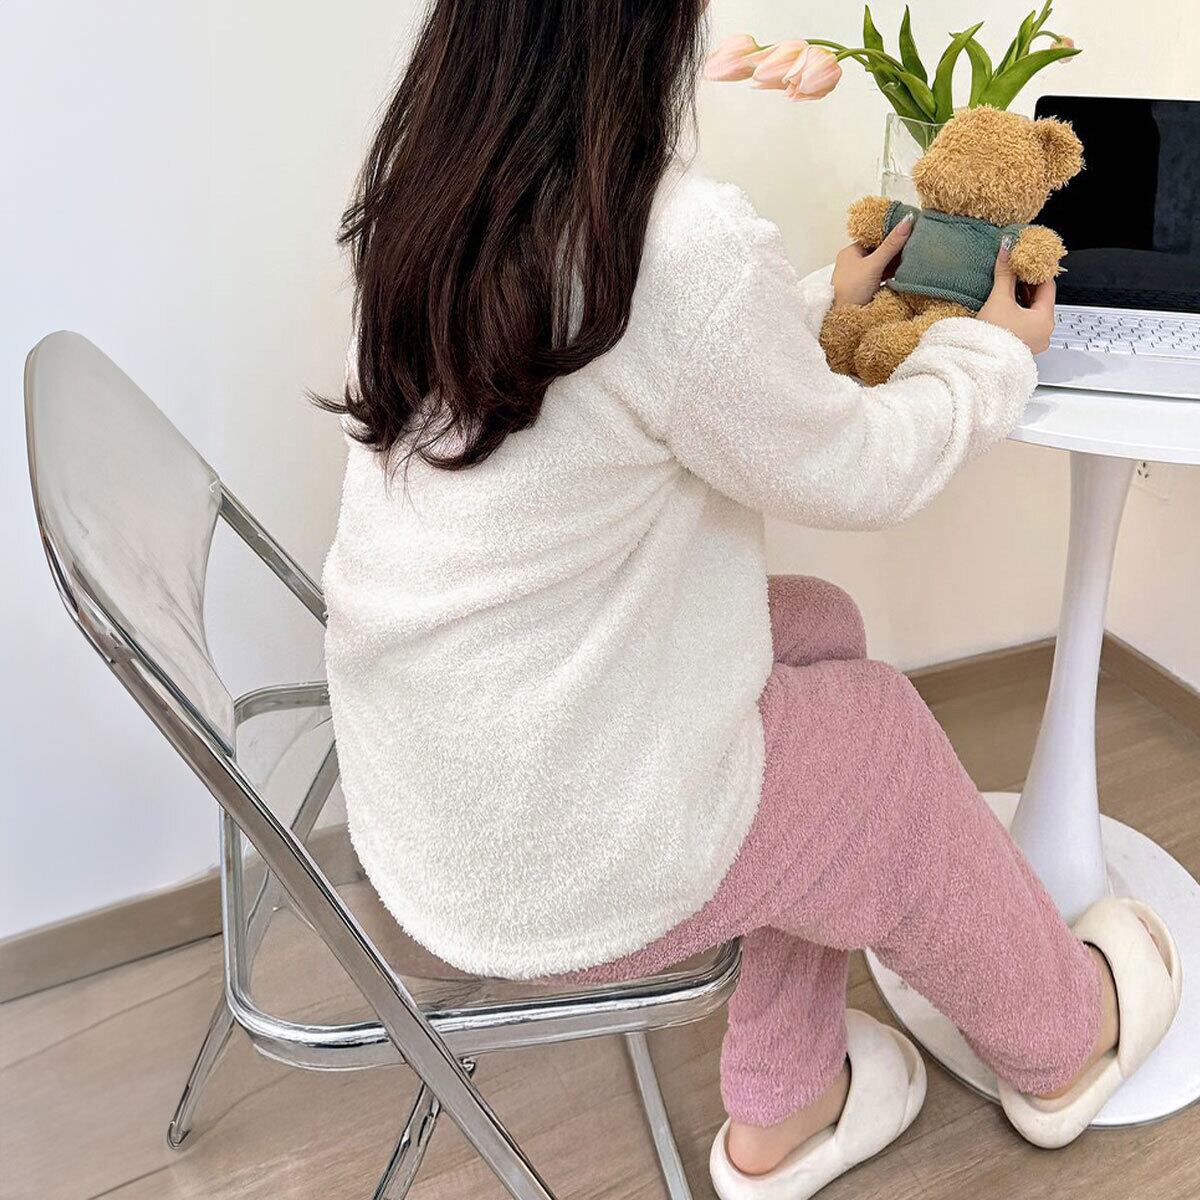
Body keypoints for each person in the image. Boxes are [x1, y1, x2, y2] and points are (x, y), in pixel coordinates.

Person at [321, 3, 1182, 1196]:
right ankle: (1062, 1045)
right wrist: (991, 355)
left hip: (441, 779)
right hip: (554, 852)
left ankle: (788, 1098)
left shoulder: (441, 197)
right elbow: (859, 469)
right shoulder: (666, 239)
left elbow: (646, 370)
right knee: (875, 741)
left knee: (817, 631)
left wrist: (823, 300)